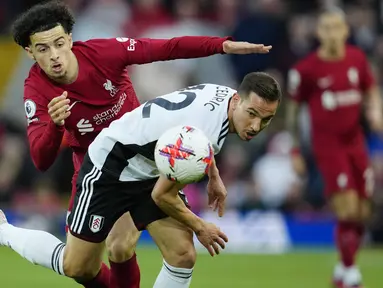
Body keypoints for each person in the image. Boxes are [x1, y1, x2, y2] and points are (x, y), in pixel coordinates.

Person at [10, 1, 272, 287]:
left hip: (148, 160)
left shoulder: (104, 53)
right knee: (83, 264)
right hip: (100, 169)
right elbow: (40, 159)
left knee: (182, 253)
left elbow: (167, 48)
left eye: (59, 43)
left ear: (70, 39)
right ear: (30, 52)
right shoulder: (36, 90)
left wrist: (220, 45)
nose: (55, 56)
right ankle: (4, 231)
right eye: (43, 49)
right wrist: (54, 126)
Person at [287, 8, 383, 288]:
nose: (331, 33)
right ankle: (352, 273)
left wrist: (375, 109)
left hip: (356, 143)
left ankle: (342, 269)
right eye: (325, 28)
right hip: (328, 146)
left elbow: (370, 87)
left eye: (336, 27)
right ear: (318, 33)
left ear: (345, 30)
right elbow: (294, 111)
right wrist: (295, 150)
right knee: (347, 208)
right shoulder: (306, 69)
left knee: (363, 210)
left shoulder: (357, 58)